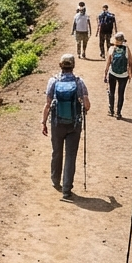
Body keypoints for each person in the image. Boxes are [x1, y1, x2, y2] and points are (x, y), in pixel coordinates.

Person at [42, 54, 92, 200]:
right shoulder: (79, 82)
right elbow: (87, 106)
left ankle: (55, 180)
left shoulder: (53, 81)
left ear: (60, 65)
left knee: (56, 152)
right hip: (74, 125)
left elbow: (47, 104)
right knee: (70, 156)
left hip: (57, 124)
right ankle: (66, 189)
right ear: (73, 66)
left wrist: (43, 122)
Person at [103, 32, 132, 119]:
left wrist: (105, 74)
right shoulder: (127, 49)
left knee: (111, 92)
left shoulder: (112, 48)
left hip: (112, 73)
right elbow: (130, 62)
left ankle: (111, 110)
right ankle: (118, 112)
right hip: (124, 75)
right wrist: (130, 73)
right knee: (121, 93)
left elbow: (108, 63)